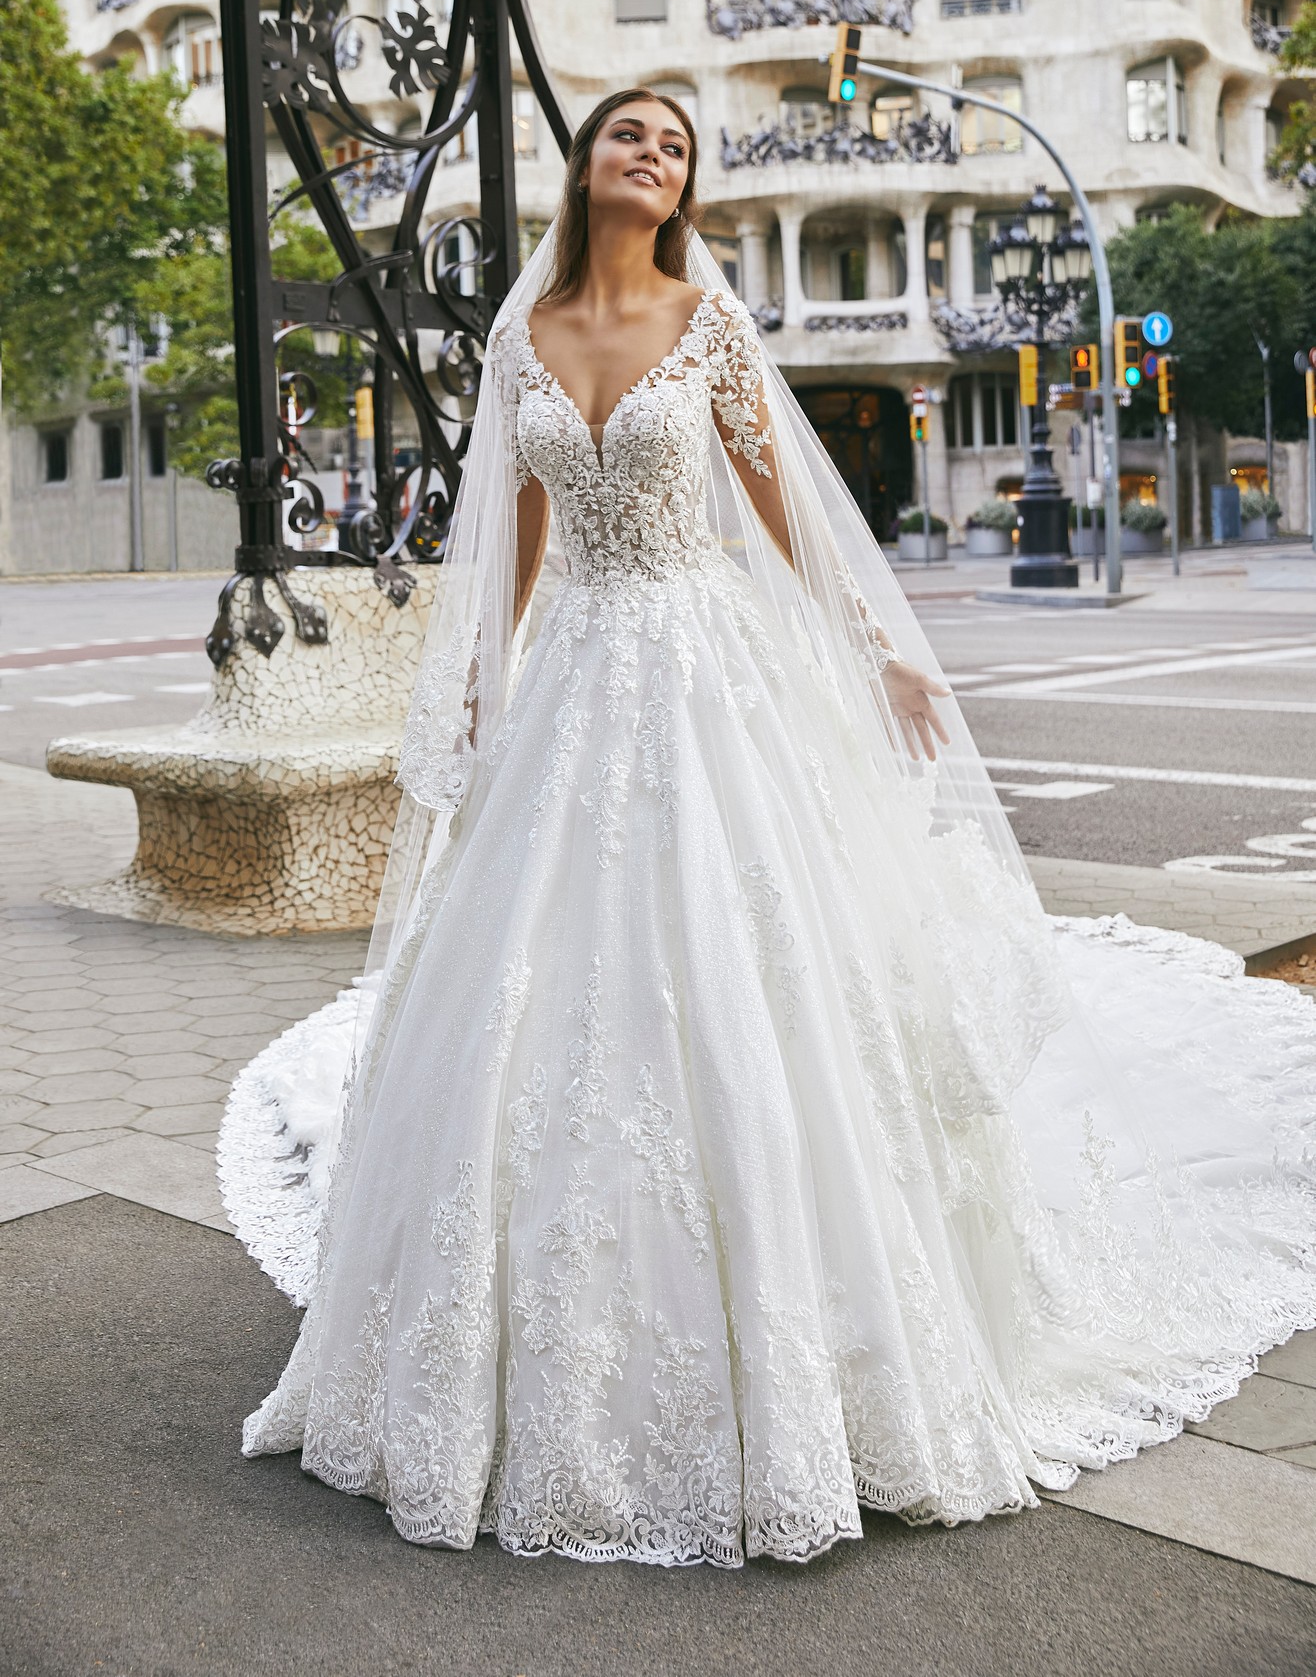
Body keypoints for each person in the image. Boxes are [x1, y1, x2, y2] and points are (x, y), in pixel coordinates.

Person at [234, 88, 1316, 1567]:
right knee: (529, 997)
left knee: (749, 970)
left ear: (683, 188)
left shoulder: (710, 321)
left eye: (676, 147)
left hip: (703, 675)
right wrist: (482, 675)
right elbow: (518, 529)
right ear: (589, 163)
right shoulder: (519, 336)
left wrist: (879, 647)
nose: (654, 157)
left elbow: (786, 506)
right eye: (633, 135)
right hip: (574, 689)